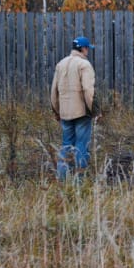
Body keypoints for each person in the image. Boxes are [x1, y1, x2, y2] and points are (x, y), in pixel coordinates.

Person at [51, 36, 100, 182]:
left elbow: (54, 91)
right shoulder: (84, 65)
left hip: (65, 113)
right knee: (81, 146)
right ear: (83, 48)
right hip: (82, 113)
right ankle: (79, 180)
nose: (88, 51)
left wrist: (56, 111)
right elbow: (88, 90)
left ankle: (62, 179)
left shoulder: (61, 64)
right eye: (87, 49)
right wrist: (95, 111)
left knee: (66, 145)